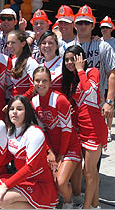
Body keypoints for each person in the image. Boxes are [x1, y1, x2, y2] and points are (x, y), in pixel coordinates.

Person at [0, 95, 59, 209]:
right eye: (12, 109)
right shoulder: (10, 131)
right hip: (21, 178)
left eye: (19, 109)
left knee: (2, 199)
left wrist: (5, 186)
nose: (14, 112)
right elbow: (6, 157)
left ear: (27, 112)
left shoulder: (35, 133)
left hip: (38, 181)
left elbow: (30, 168)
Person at [61, 45, 108, 209]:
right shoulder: (74, 79)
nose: (69, 62)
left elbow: (91, 92)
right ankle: (95, 205)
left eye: (72, 59)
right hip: (81, 129)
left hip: (95, 129)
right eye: (66, 59)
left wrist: (81, 70)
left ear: (81, 58)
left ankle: (87, 207)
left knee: (89, 172)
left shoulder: (91, 72)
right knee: (90, 172)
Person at [31, 66, 82, 209]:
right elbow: (41, 131)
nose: (40, 84)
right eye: (37, 80)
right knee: (49, 179)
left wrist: (60, 154)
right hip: (53, 148)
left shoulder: (60, 100)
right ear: (33, 81)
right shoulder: (34, 102)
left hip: (69, 147)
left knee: (60, 182)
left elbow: (66, 130)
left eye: (44, 81)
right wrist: (49, 151)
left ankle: (68, 203)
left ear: (50, 82)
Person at [7, 30, 38, 99]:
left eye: (13, 43)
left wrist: (19, 101)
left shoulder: (31, 62)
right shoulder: (11, 61)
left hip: (26, 104)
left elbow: (34, 88)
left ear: (23, 44)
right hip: (13, 103)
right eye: (8, 43)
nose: (10, 46)